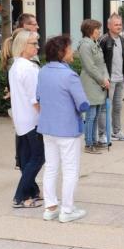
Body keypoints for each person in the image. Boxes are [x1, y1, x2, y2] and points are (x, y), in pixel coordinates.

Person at [37, 35, 90, 223]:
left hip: (47, 127)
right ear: (62, 52)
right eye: (69, 48)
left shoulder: (43, 72)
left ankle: (50, 207)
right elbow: (83, 104)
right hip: (67, 129)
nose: (72, 51)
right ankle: (67, 210)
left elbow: (38, 97)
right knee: (70, 170)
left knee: (51, 167)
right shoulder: (70, 76)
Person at [9, 30, 44, 208]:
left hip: (21, 119)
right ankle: (20, 197)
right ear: (23, 46)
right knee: (38, 158)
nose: (37, 46)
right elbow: (35, 99)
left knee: (26, 158)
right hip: (32, 120)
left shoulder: (15, 66)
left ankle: (32, 191)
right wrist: (46, 117)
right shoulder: (29, 69)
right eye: (34, 43)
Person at [98, 13, 124, 142]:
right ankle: (102, 135)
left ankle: (116, 132)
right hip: (108, 80)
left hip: (120, 79)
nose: (119, 26)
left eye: (120, 24)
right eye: (116, 24)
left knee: (117, 107)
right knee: (105, 108)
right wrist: (103, 78)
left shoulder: (122, 40)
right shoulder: (103, 40)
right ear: (109, 26)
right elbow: (99, 61)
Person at [78, 19, 110, 154]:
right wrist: (102, 80)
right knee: (90, 115)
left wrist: (106, 78)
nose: (99, 31)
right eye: (97, 29)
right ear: (90, 30)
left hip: (99, 83)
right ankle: (88, 143)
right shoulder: (85, 45)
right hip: (91, 83)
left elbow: (102, 63)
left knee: (96, 114)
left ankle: (94, 140)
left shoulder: (94, 43)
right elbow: (90, 66)